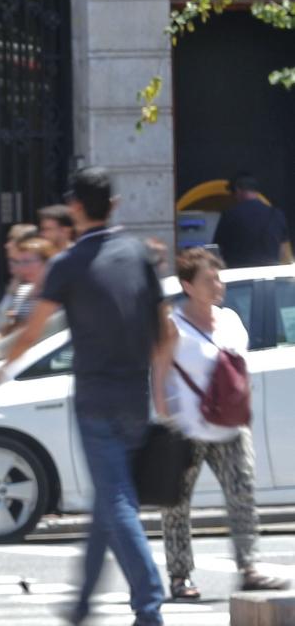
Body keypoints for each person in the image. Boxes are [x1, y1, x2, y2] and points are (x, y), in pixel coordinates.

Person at [0, 166, 168, 626]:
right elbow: (164, 332)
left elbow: (31, 330)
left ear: (76, 208)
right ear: (115, 204)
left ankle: (149, 603)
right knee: (109, 501)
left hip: (95, 400)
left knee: (118, 501)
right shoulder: (137, 253)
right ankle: (82, 605)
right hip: (134, 397)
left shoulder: (68, 264)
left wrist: (3, 370)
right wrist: (161, 394)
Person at [152, 247, 290, 600]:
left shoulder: (230, 319)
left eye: (219, 277)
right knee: (177, 504)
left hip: (230, 427)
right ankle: (180, 576)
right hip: (187, 429)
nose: (218, 285)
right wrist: (165, 414)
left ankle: (249, 569)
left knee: (242, 494)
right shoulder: (174, 325)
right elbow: (160, 371)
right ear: (188, 285)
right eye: (208, 279)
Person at [211, 173, 293, 268]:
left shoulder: (230, 215)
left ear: (237, 190)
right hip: (270, 276)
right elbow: (284, 253)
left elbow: (216, 250)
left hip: (239, 277)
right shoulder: (276, 214)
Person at [0, 236, 55, 335]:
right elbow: (2, 318)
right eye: (19, 262)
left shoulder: (57, 291)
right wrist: (11, 292)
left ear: (46, 262)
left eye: (27, 262)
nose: (22, 268)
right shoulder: (23, 289)